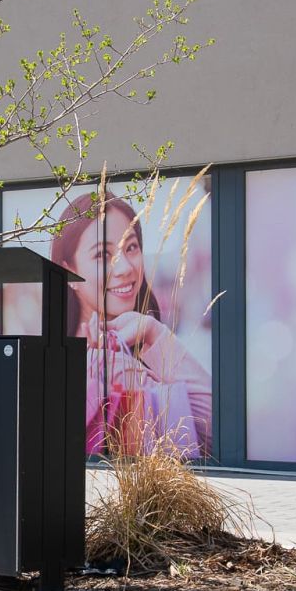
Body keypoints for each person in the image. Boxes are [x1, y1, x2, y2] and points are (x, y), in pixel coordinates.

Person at [49, 190, 212, 459]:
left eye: (131, 247)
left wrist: (151, 332)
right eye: (102, 254)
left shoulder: (127, 353)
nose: (124, 267)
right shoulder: (105, 366)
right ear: (69, 272)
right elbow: (213, 437)